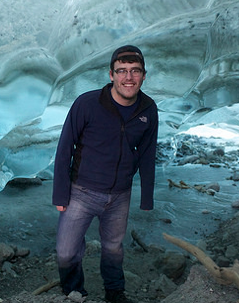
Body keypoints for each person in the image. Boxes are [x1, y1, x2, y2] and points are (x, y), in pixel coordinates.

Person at [52, 45, 159, 303]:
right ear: (111, 75)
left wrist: (147, 197)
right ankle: (74, 291)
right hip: (81, 192)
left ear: (144, 75)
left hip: (120, 195)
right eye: (121, 71)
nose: (128, 77)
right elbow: (65, 147)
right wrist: (60, 194)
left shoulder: (148, 109)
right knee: (66, 252)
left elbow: (147, 153)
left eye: (135, 71)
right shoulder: (87, 103)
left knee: (113, 248)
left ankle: (115, 292)